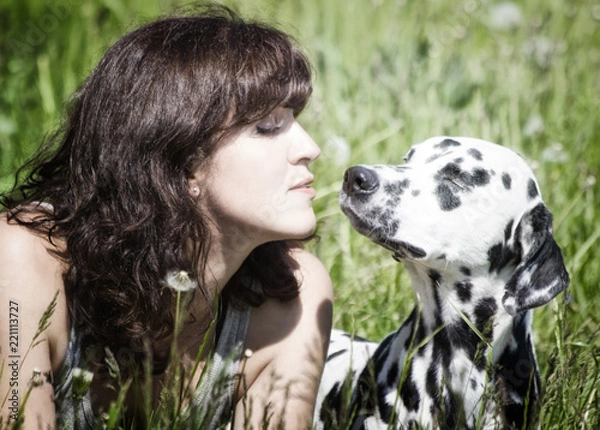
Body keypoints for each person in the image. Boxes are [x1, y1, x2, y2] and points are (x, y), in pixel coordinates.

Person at [0, 6, 333, 429]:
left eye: (295, 121)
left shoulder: (296, 296)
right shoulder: (22, 259)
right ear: (182, 160)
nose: (309, 147)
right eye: (269, 126)